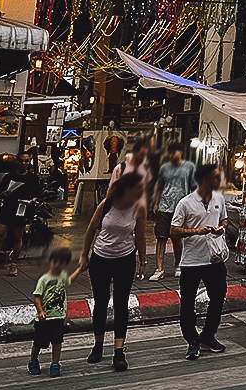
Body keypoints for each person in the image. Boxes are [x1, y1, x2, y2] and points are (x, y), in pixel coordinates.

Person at [78, 170, 148, 372]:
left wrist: (143, 261)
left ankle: (119, 351)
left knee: (121, 303)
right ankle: (98, 345)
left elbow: (141, 236)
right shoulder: (106, 205)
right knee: (100, 303)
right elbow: (91, 229)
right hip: (101, 258)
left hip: (125, 259)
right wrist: (84, 255)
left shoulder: (138, 208)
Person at [172, 163, 229, 360]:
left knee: (219, 297)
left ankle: (208, 335)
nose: (218, 180)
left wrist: (221, 228)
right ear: (204, 180)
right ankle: (192, 340)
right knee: (188, 303)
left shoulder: (218, 198)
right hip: (192, 262)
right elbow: (174, 230)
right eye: (215, 177)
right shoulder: (185, 203)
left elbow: (224, 219)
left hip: (214, 259)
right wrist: (197, 231)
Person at [0, 151, 42, 278]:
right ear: (16, 162)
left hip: (22, 209)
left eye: (26, 161)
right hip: (8, 208)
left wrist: (33, 200)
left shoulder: (33, 178)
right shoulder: (8, 177)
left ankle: (14, 264)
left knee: (18, 237)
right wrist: (5, 193)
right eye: (21, 161)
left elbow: (36, 194)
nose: (24, 163)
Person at [28, 247, 81, 377]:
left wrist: (80, 270)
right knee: (39, 342)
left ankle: (55, 363)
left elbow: (69, 281)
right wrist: (40, 311)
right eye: (56, 262)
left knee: (57, 341)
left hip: (58, 317)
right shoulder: (44, 279)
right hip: (44, 319)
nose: (58, 265)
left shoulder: (62, 275)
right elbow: (36, 297)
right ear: (50, 262)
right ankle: (33, 361)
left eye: (62, 263)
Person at [149, 143, 196, 280]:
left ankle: (178, 265)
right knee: (161, 237)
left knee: (177, 238)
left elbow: (193, 187)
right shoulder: (165, 168)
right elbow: (159, 187)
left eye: (175, 151)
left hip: (181, 207)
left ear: (180, 152)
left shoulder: (189, 167)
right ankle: (159, 268)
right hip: (165, 206)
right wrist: (156, 203)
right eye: (171, 152)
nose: (173, 154)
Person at [109, 133, 154, 209]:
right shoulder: (120, 168)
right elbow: (111, 189)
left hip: (138, 208)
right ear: (135, 152)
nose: (143, 157)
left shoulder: (146, 169)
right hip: (121, 207)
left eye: (145, 155)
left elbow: (148, 187)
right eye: (142, 154)